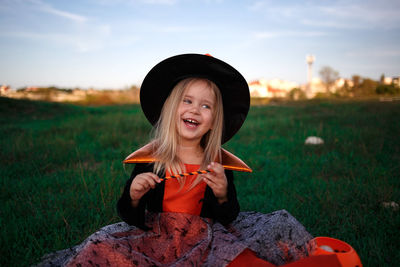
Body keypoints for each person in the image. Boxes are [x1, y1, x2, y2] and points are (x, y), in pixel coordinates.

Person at [42, 54, 341, 267]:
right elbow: (129, 215)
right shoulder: (152, 158)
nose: (195, 109)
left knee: (241, 260)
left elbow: (228, 216)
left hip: (205, 237)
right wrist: (133, 196)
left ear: (213, 121)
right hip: (156, 236)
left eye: (205, 105)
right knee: (103, 250)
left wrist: (222, 192)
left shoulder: (215, 163)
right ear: (172, 109)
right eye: (187, 101)